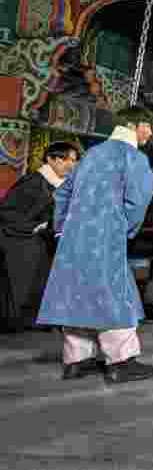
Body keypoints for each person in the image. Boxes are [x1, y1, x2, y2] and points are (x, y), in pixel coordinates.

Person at [36, 107, 153, 383]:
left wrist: (62, 229)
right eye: (148, 126)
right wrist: (123, 228)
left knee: (78, 292)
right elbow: (139, 200)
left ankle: (77, 360)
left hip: (74, 236)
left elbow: (62, 193)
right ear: (136, 126)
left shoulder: (90, 155)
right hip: (107, 235)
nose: (150, 133)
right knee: (115, 294)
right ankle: (121, 361)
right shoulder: (133, 157)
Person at [0, 142, 80, 332]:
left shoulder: (60, 184)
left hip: (45, 242)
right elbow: (7, 213)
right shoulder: (33, 182)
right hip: (21, 241)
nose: (72, 165)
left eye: (75, 161)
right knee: (24, 284)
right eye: (69, 160)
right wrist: (36, 226)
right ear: (52, 160)